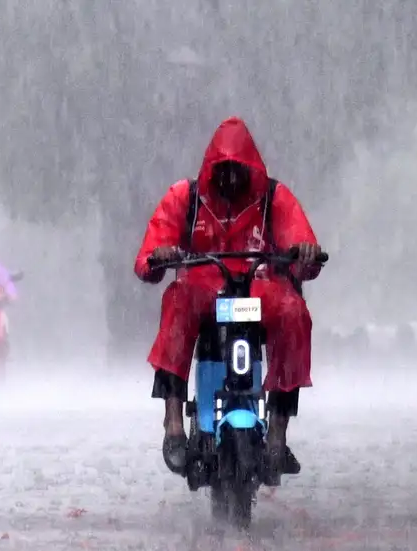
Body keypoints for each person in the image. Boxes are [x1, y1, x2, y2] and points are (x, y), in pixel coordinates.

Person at [133, 116, 325, 485]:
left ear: (252, 168)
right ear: (210, 169)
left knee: (292, 312)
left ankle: (278, 430)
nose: (231, 179)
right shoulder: (185, 197)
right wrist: (161, 255)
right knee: (177, 300)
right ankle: (174, 419)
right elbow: (148, 260)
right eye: (223, 171)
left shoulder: (273, 198)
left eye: (239, 170)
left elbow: (302, 249)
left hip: (260, 284)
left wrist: (304, 252)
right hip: (203, 284)